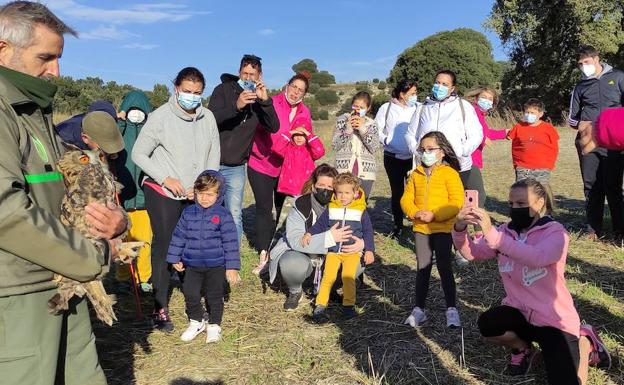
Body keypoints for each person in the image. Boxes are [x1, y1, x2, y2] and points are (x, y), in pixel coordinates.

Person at [0, 2, 127, 384]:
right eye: (46, 57)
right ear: (2, 49)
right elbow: (6, 212)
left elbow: (68, 191)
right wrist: (92, 256)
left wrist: (114, 222)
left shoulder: (34, 112)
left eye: (59, 58)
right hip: (18, 293)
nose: (56, 71)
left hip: (62, 279)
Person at [452, 179, 610, 384]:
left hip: (554, 321)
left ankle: (585, 341)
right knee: (488, 326)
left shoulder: (556, 233)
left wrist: (493, 235)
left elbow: (537, 257)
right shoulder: (505, 231)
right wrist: (459, 228)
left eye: (521, 204)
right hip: (520, 313)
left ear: (540, 202)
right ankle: (524, 348)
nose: (514, 209)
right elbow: (472, 253)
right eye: (511, 204)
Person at [132, 67, 220, 333]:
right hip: (164, 192)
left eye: (197, 93)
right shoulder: (160, 117)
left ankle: (195, 299)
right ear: (176, 89)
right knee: (166, 244)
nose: (192, 97)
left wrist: (206, 187)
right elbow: (139, 154)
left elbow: (213, 155)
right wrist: (164, 178)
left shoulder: (208, 118)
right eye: (187, 92)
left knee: (196, 242)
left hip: (196, 192)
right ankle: (160, 307)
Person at [268, 164, 366, 311]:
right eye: (321, 185)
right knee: (291, 263)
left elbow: (364, 231)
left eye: (330, 186)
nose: (325, 190)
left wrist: (362, 244)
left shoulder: (349, 207)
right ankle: (295, 292)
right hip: (304, 256)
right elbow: (296, 240)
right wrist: (329, 238)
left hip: (334, 256)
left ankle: (330, 289)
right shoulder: (299, 205)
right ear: (313, 186)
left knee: (358, 262)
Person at [208, 54, 280, 244]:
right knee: (210, 209)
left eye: (252, 74)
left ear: (260, 76)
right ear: (239, 72)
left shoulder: (259, 100)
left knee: (233, 212)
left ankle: (233, 257)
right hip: (211, 162)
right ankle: (210, 249)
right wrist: (237, 106)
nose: (248, 78)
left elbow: (273, 127)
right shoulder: (223, 90)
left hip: (236, 166)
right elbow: (211, 119)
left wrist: (265, 101)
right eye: (244, 73)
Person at [247, 73, 312, 273]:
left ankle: (277, 247)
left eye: (301, 90)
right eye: (294, 87)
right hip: (261, 163)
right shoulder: (271, 102)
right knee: (265, 209)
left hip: (287, 168)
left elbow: (305, 139)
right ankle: (263, 252)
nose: (296, 92)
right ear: (287, 85)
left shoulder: (305, 112)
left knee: (281, 210)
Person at [167, 170, 240, 343]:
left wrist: (232, 267)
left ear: (219, 194)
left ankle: (214, 325)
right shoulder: (188, 213)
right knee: (190, 293)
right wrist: (175, 257)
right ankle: (196, 321)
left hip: (216, 265)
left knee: (214, 296)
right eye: (200, 194)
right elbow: (179, 236)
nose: (204, 198)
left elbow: (230, 242)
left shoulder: (223, 215)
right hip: (192, 264)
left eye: (209, 194)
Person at [401, 132, 464, 328]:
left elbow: (456, 202)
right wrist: (415, 213)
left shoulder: (450, 174)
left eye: (430, 149)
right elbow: (405, 199)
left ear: (442, 152)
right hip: (421, 228)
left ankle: (451, 309)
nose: (425, 153)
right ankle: (419, 309)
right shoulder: (416, 174)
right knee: (423, 268)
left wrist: (435, 215)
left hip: (443, 229)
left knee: (445, 267)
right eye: (422, 150)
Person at [568, 45, 624, 241]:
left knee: (614, 186)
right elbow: (572, 119)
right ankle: (593, 229)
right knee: (592, 186)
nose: (584, 67)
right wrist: (585, 124)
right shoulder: (579, 86)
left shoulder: (618, 77)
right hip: (587, 141)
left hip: (613, 141)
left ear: (597, 58)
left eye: (587, 62)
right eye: (580, 64)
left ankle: (619, 231)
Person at [302, 172, 375, 322]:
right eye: (340, 192)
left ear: (355, 193)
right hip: (333, 252)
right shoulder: (331, 208)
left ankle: (348, 306)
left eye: (347, 193)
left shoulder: (360, 210)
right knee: (328, 277)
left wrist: (369, 250)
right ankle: (320, 305)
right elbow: (320, 225)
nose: (343, 196)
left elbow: (368, 231)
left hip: (351, 253)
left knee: (347, 278)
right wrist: (309, 233)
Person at [407, 70, 483, 203]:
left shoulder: (463, 106)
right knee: (433, 201)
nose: (439, 86)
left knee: (456, 202)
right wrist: (417, 151)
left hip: (458, 165)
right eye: (437, 82)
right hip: (428, 164)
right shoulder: (423, 108)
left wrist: (463, 151)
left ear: (452, 88)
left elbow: (476, 134)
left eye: (444, 84)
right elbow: (410, 133)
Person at [115, 90, 154, 292]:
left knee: (143, 242)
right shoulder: (120, 131)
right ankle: (123, 277)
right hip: (123, 199)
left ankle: (144, 278)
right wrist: (120, 121)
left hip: (144, 199)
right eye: (132, 109)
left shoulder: (152, 130)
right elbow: (109, 147)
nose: (136, 113)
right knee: (123, 241)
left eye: (140, 110)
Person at [375, 79, 419, 238]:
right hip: (391, 157)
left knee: (415, 191)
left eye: (416, 93)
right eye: (412, 93)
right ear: (402, 94)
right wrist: (386, 140)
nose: (415, 96)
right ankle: (398, 225)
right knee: (397, 192)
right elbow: (376, 128)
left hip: (412, 158)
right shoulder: (386, 108)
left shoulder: (418, 108)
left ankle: (417, 224)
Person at [463, 86, 508, 207]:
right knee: (478, 196)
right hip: (469, 159)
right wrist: (483, 139)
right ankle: (479, 225)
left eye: (490, 99)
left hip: (472, 158)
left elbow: (486, 133)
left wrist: (505, 133)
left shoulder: (480, 114)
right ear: (476, 98)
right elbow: (470, 130)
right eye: (483, 97)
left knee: (466, 194)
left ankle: (463, 224)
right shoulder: (473, 111)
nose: (487, 100)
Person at [333, 91, 381, 199]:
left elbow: (374, 147)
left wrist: (362, 129)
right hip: (343, 171)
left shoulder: (372, 124)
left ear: (368, 108)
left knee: (360, 206)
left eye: (361, 107)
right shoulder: (342, 120)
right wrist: (348, 129)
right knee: (341, 202)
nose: (357, 109)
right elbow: (336, 145)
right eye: (355, 106)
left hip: (365, 173)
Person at [508, 98, 559, 183]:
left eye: (532, 113)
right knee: (522, 192)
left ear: (541, 114)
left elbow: (554, 148)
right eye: (527, 112)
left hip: (542, 168)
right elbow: (511, 140)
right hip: (522, 168)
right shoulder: (518, 127)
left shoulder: (548, 128)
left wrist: (550, 165)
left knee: (540, 192)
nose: (529, 115)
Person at [273, 116, 325, 197]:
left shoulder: (310, 150)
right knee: (291, 208)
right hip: (289, 189)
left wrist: (308, 134)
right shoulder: (288, 148)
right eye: (296, 134)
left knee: (304, 207)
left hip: (306, 187)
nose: (299, 138)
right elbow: (276, 148)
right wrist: (290, 132)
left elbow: (320, 151)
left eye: (302, 135)